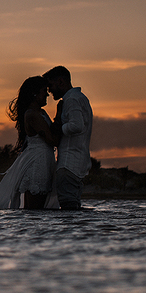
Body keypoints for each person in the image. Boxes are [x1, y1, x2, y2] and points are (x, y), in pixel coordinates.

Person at [0, 76, 60, 209]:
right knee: (34, 210)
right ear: (34, 93)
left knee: (38, 210)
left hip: (44, 161)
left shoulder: (41, 112)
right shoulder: (32, 115)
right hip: (38, 164)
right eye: (43, 91)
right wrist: (60, 117)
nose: (47, 94)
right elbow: (52, 140)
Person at [43, 65, 93, 210]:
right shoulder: (79, 98)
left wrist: (57, 127)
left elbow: (77, 126)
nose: (49, 90)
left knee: (68, 209)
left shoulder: (71, 99)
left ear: (60, 82)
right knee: (73, 207)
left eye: (50, 85)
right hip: (77, 162)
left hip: (69, 164)